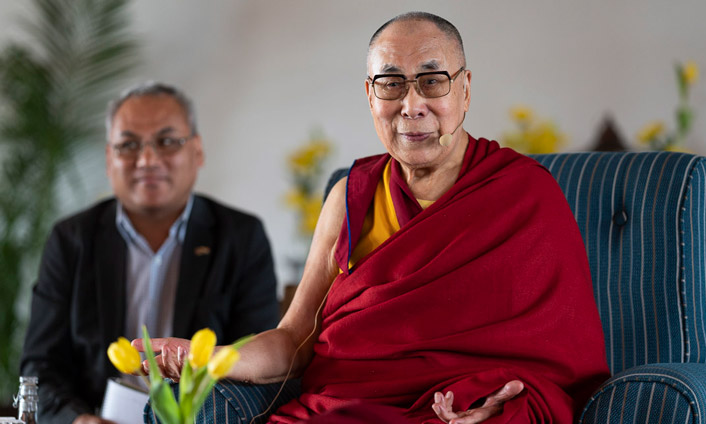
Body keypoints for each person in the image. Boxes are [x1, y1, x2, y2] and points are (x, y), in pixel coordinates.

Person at [139, 12, 610, 423]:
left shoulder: (524, 194)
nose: (411, 105)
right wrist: (209, 358)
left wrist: (504, 402)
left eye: (432, 81)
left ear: (465, 90)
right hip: (349, 410)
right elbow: (292, 343)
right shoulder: (351, 198)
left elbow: (556, 363)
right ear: (370, 96)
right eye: (391, 83)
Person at [20, 82, 280, 424]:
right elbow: (41, 367)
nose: (147, 160)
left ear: (197, 151)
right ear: (108, 158)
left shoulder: (241, 237)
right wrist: (78, 420)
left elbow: (258, 367)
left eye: (167, 141)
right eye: (128, 145)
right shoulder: (71, 239)